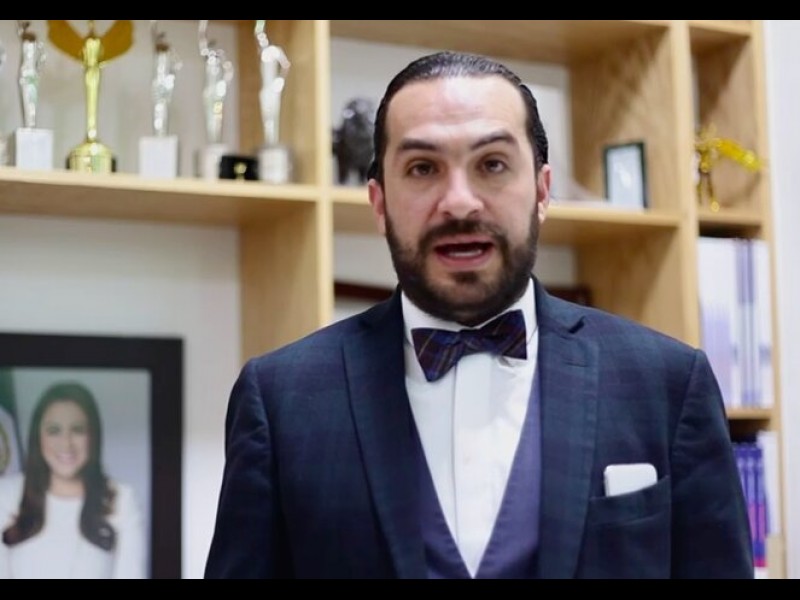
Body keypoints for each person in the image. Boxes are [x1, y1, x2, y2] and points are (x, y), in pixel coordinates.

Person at [204, 50, 754, 579]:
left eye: (492, 164)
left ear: (542, 191)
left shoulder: (668, 385)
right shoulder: (279, 399)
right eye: (423, 168)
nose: (460, 201)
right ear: (380, 203)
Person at [0, 381, 145, 579]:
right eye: (54, 430)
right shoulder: (6, 494)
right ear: (38, 437)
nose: (66, 444)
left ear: (93, 436)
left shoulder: (122, 499)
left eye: (77, 430)